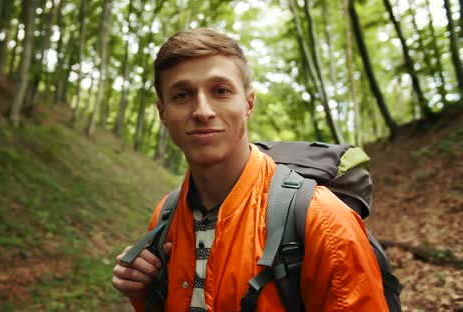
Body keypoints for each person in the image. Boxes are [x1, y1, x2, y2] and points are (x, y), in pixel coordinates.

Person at [111, 28, 387, 311]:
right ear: (163, 113)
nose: (202, 111)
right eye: (182, 95)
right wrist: (145, 291)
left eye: (220, 91)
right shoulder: (165, 216)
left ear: (248, 103)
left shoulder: (323, 221)